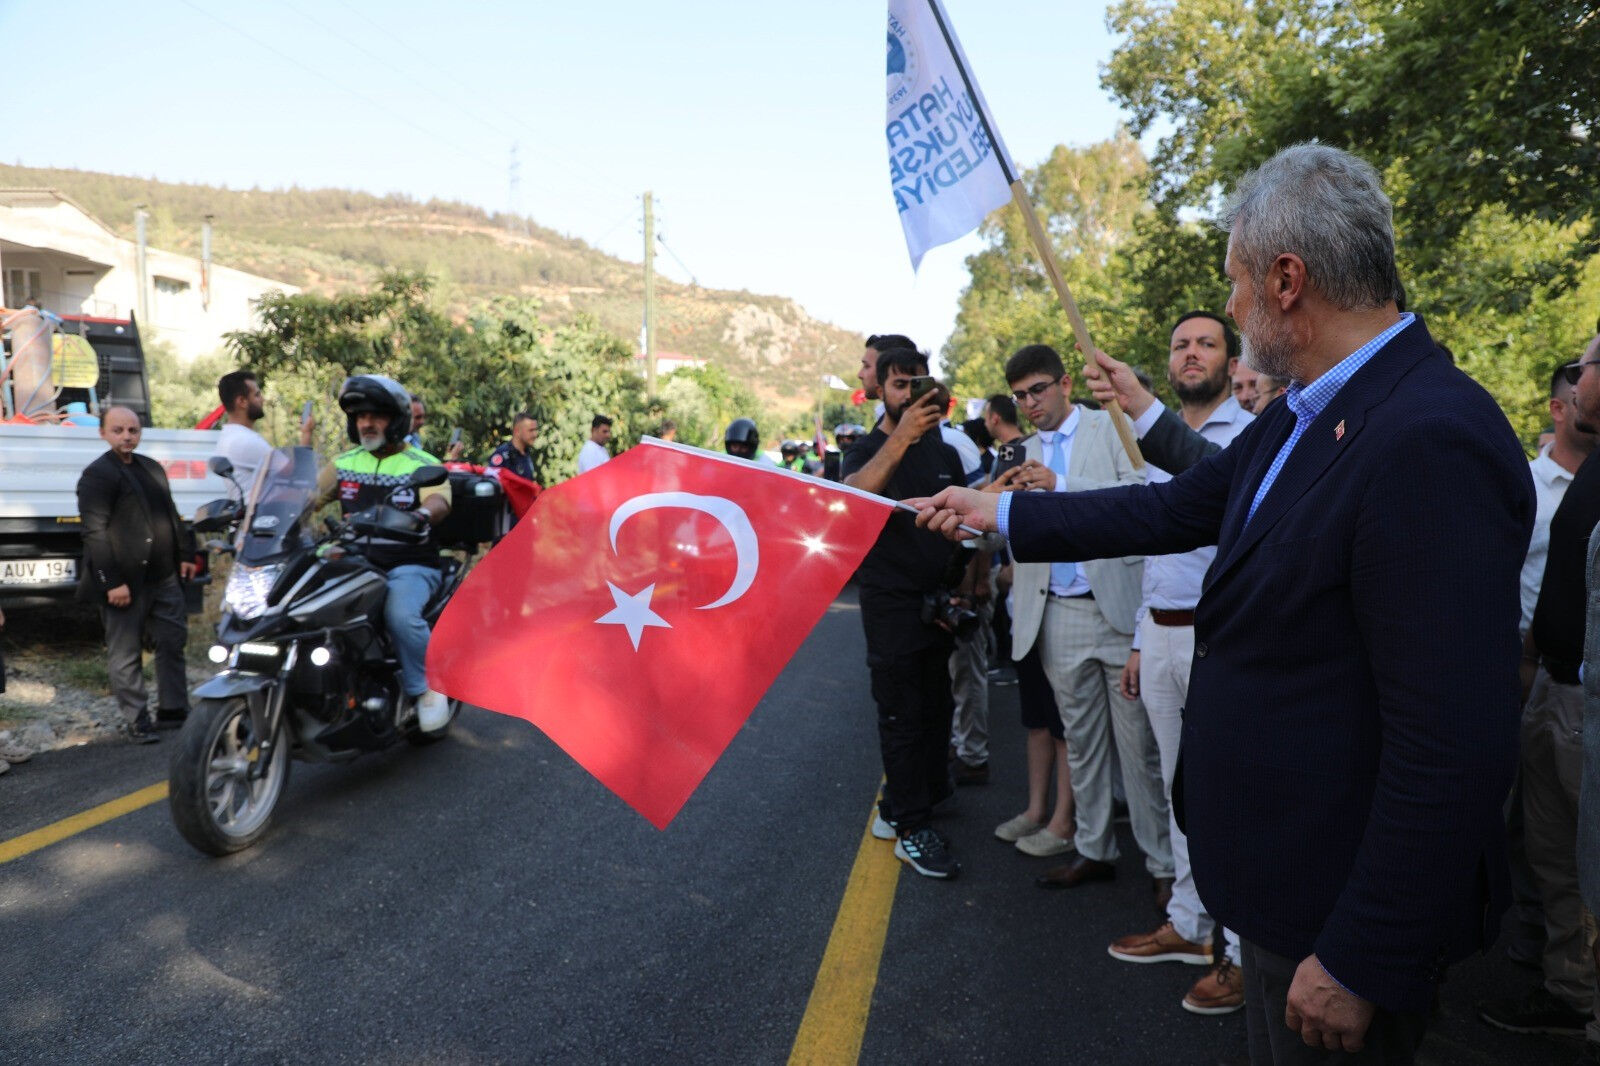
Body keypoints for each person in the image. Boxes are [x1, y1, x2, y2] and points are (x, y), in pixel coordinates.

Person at [914, 143, 1533, 1062]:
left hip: (1336, 914)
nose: (1233, 308)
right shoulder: (1304, 411)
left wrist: (1365, 953)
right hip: (1283, 882)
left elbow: (1453, 739)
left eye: (1237, 283)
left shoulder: (1430, 436)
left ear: (1286, 279)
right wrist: (996, 512)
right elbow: (1172, 507)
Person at [1100, 311, 1254, 1018]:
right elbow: (1157, 549)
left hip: (1219, 639)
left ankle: (1244, 953)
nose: (1191, 353)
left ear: (1232, 360)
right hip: (1161, 636)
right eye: (1180, 345)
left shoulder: (1250, 435)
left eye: (1206, 344)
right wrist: (1141, 638)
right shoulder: (1150, 441)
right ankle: (1190, 925)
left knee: (1231, 797)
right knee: (1176, 791)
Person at [990, 344, 1170, 886]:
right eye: (1020, 396)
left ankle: (1163, 867)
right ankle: (1093, 850)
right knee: (1082, 744)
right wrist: (988, 500)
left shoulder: (1110, 425)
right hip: (1056, 614)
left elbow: (1140, 495)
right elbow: (990, 537)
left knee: (1139, 752)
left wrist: (1060, 486)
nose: (1029, 404)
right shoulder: (1014, 453)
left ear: (1065, 384)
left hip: (1118, 609)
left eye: (1037, 390)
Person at [1484, 334, 1600, 1041]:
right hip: (1550, 689)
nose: (1577, 380)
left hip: (1587, 703)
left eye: (1587, 366)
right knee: (1552, 859)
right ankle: (1571, 994)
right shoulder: (1570, 474)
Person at [842, 343, 969, 880]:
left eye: (919, 384)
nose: (912, 395)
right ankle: (911, 828)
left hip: (938, 604)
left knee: (937, 708)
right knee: (902, 716)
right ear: (881, 390)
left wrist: (963, 586)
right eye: (899, 385)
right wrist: (902, 436)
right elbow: (853, 496)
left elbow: (961, 523)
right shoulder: (867, 448)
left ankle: (911, 801)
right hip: (891, 608)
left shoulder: (945, 454)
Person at [318, 376, 454, 732]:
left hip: (408, 563)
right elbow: (305, 498)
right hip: (355, 561)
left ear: (397, 420)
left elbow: (439, 501)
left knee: (400, 614)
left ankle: (427, 688)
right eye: (360, 416)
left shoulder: (421, 463)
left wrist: (422, 514)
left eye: (376, 415)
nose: (366, 423)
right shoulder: (344, 464)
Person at [76, 406, 198, 742]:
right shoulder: (97, 475)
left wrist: (186, 554)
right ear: (103, 433)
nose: (127, 436)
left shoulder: (151, 467)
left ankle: (174, 709)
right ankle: (137, 718)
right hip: (125, 582)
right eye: (118, 430)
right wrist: (112, 582)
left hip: (164, 576)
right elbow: (94, 532)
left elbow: (170, 514)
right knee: (125, 652)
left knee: (172, 641)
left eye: (133, 430)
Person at [213, 369, 314, 497]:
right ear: (242, 401)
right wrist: (307, 433)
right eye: (257, 395)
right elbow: (295, 473)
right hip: (260, 510)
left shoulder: (228, 436)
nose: (263, 399)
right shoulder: (245, 441)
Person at [486, 412, 539, 484]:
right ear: (517, 431)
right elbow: (491, 483)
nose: (535, 434)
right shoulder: (503, 454)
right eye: (531, 430)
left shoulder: (526, 453)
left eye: (536, 430)